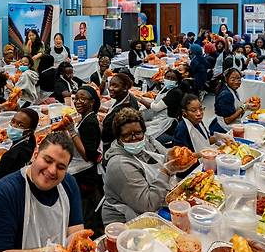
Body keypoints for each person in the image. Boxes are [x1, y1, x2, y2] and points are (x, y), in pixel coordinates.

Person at [102, 108, 183, 223]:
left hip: (155, 202)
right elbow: (148, 205)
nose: (134, 138)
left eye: (138, 133)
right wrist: (166, 171)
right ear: (119, 139)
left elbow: (166, 159)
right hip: (128, 221)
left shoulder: (148, 142)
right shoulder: (119, 165)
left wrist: (172, 158)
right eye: (127, 135)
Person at [67, 85, 104, 237]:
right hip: (83, 169)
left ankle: (89, 236)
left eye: (83, 99)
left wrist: (71, 132)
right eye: (76, 98)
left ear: (92, 102)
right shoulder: (86, 118)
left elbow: (87, 154)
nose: (78, 102)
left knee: (86, 208)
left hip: (84, 172)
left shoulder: (90, 122)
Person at [0, 108, 38, 183]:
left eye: (20, 125)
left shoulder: (11, 156)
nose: (13, 126)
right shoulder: (31, 139)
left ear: (29, 131)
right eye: (13, 121)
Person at [137, 69, 182, 141]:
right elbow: (156, 101)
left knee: (147, 135)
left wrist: (140, 100)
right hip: (158, 118)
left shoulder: (175, 92)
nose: (169, 80)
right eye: (167, 77)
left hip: (165, 121)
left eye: (173, 78)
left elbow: (156, 107)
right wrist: (141, 98)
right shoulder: (166, 88)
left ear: (177, 80)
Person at [209, 68, 258, 133]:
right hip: (223, 129)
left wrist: (247, 105)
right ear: (226, 79)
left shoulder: (232, 90)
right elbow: (227, 120)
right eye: (233, 79)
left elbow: (235, 108)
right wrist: (244, 107)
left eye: (239, 79)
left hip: (229, 124)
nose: (236, 82)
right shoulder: (226, 95)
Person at [101, 72, 139, 153]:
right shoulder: (130, 97)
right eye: (110, 85)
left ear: (125, 88)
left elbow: (106, 135)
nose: (110, 88)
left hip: (114, 148)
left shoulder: (123, 110)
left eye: (115, 86)